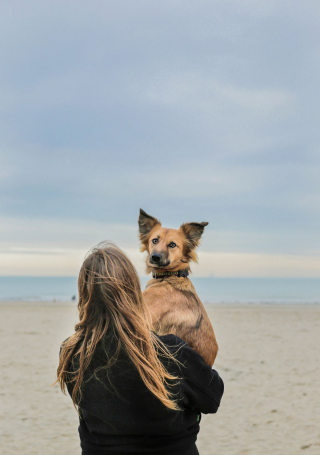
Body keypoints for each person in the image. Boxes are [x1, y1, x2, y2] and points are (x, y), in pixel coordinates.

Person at [57, 243, 224, 455]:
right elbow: (212, 397)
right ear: (133, 291)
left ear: (84, 294)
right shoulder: (170, 352)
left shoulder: (72, 353)